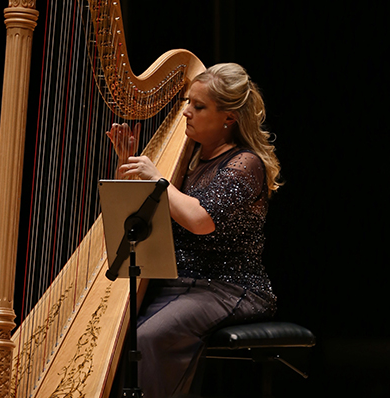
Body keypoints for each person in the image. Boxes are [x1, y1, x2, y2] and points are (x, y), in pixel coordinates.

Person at [106, 63, 282, 398]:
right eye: (189, 102)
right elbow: (141, 222)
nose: (186, 112)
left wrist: (157, 180)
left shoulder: (244, 164)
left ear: (228, 117)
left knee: (146, 339)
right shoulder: (187, 159)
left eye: (198, 106)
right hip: (177, 284)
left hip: (228, 288)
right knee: (113, 337)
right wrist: (128, 165)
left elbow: (201, 220)